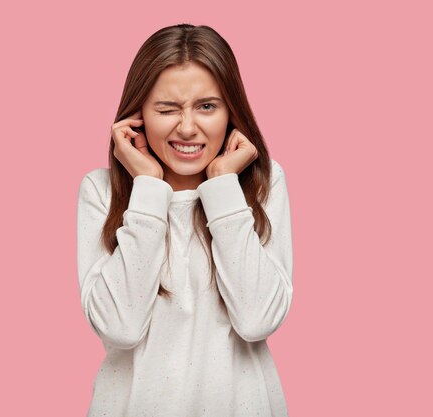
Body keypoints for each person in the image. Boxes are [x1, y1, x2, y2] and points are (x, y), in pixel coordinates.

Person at [77, 23, 294, 417]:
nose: (188, 127)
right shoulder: (102, 192)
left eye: (207, 106)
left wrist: (224, 187)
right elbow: (119, 327)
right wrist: (147, 187)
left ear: (231, 111)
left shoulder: (263, 183)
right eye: (167, 109)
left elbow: (258, 318)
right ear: (138, 113)